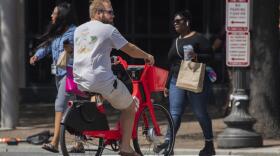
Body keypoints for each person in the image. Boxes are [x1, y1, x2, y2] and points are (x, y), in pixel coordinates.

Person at [73, 0, 154, 156]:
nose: (113, 15)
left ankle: (92, 128)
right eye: (109, 12)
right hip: (100, 80)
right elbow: (129, 49)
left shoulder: (79, 30)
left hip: (81, 80)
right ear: (98, 13)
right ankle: (125, 147)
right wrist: (147, 55)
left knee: (100, 97)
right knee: (130, 107)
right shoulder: (108, 30)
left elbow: (90, 52)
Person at [156, 10, 216, 156]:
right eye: (174, 21)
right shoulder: (175, 41)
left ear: (187, 22)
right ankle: (168, 145)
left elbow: (211, 56)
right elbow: (173, 64)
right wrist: (166, 84)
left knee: (200, 113)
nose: (175, 23)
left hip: (195, 78)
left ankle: (209, 145)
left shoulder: (199, 38)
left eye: (179, 21)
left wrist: (197, 56)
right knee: (175, 113)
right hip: (176, 80)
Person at [29, 2, 76, 153]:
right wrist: (37, 55)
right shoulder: (57, 31)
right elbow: (48, 46)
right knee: (74, 108)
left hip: (70, 73)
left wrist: (69, 46)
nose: (51, 16)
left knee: (60, 105)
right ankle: (80, 141)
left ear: (62, 16)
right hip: (59, 74)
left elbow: (72, 46)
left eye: (54, 13)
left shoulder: (73, 31)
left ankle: (55, 142)